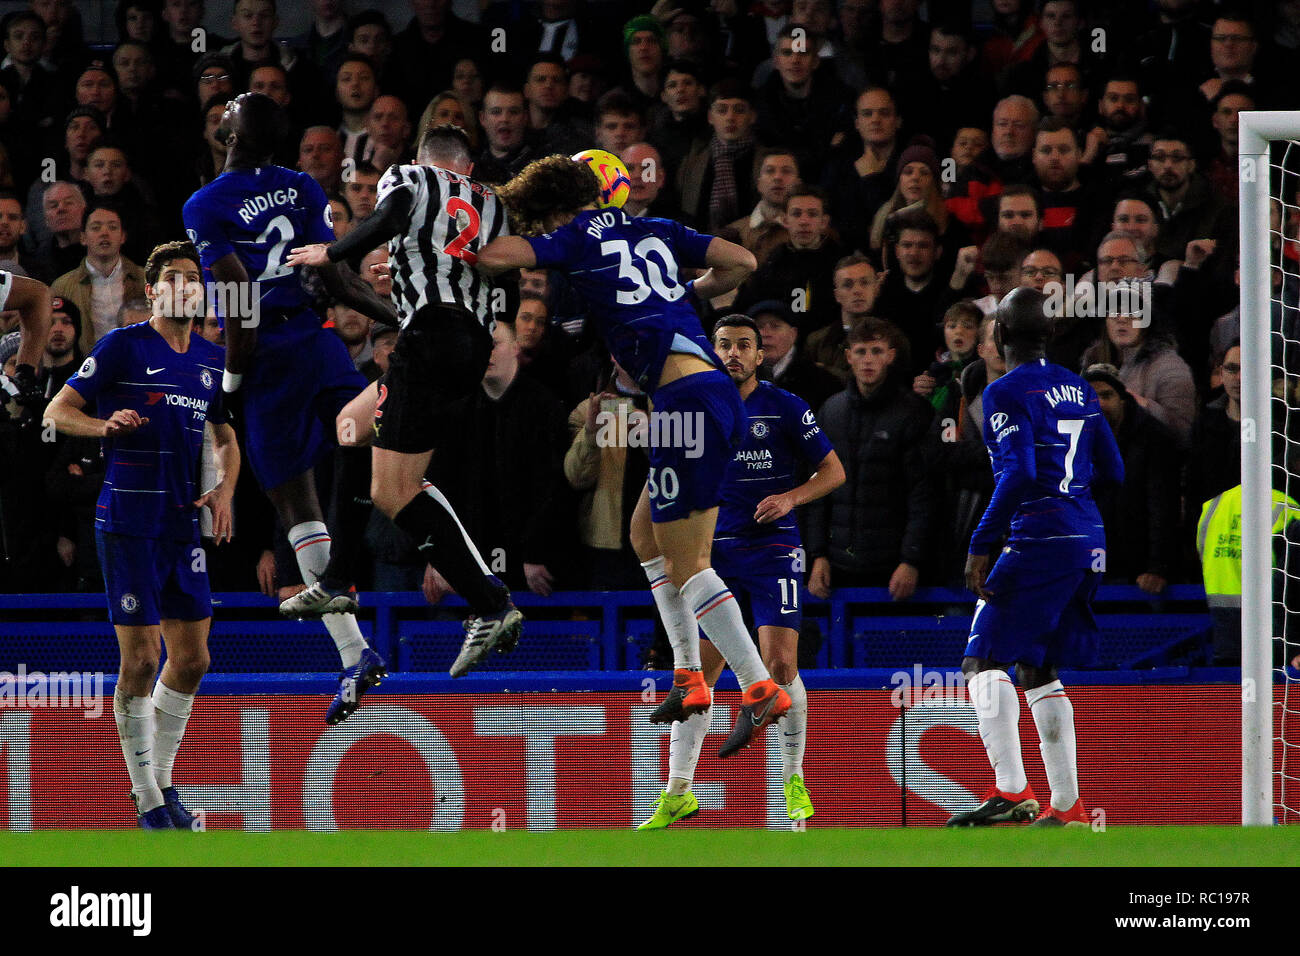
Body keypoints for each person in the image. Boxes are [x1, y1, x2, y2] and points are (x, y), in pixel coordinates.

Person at [479, 154, 791, 754]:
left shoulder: (571, 234)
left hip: (683, 401)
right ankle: (687, 674)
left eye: (541, 221)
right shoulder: (656, 228)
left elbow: (494, 256)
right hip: (701, 395)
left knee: (691, 562)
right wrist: (687, 293)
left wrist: (467, 235)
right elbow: (743, 262)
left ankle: (757, 688)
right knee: (644, 532)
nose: (541, 232)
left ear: (555, 208)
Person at [182, 92, 397, 724]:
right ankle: (450, 593)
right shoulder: (301, 185)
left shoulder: (205, 204)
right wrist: (399, 319)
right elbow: (334, 275)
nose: (228, 105)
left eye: (235, 106)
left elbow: (241, 301)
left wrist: (232, 380)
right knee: (387, 444)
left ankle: (355, 652)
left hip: (270, 355)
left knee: (295, 501)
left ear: (233, 135)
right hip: (319, 340)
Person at [281, 123, 524, 680]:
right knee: (351, 426)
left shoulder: (411, 176)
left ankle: (488, 602)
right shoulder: (495, 204)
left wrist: (333, 251)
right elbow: (504, 288)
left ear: (428, 159)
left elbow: (389, 216)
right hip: (469, 344)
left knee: (393, 491)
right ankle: (339, 579)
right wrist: (422, 270)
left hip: (429, 338)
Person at [42, 239, 239, 829]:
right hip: (128, 522)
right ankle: (150, 800)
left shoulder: (209, 360)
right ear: (151, 290)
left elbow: (226, 439)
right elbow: (57, 410)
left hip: (182, 524)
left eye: (192, 277)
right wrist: (104, 424)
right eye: (172, 278)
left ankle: (161, 779)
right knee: (142, 660)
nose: (184, 286)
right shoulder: (123, 347)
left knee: (193, 660)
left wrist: (225, 489)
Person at [638, 314, 844, 829]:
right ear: (711, 352)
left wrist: (791, 497)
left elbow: (835, 470)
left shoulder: (785, 406)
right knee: (702, 676)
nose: (733, 353)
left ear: (759, 356)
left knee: (781, 669)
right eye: (724, 344)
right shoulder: (691, 407)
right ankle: (677, 791)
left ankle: (793, 781)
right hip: (711, 553)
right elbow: (663, 470)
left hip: (773, 548)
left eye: (743, 346)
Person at [947, 286, 1124, 828]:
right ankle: (1066, 806)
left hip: (1040, 539)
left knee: (982, 660)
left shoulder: (1005, 391)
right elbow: (1113, 471)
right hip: (1087, 536)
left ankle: (1010, 792)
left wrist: (981, 543)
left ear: (998, 337)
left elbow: (1021, 473)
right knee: (1037, 666)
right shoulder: (1081, 387)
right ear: (1048, 335)